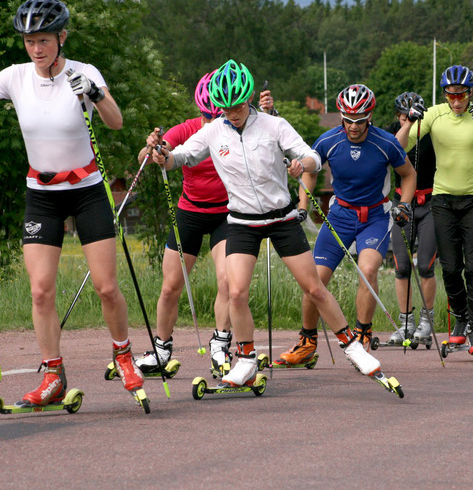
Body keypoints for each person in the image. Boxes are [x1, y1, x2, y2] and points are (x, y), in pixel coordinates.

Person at [0, 0, 144, 405]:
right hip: (42, 195)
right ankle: (53, 375)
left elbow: (116, 121)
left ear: (62, 37)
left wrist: (95, 93)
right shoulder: (14, 76)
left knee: (107, 287)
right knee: (40, 291)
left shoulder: (84, 72)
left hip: (87, 191)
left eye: (44, 40)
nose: (36, 49)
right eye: (29, 41)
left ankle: (123, 355)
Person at [149, 60, 386, 388]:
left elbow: (312, 156)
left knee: (314, 287)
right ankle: (246, 360)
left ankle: (354, 348)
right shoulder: (214, 130)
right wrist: (163, 156)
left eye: (236, 106)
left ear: (248, 99)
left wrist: (302, 164)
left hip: (281, 218)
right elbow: (182, 156)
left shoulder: (274, 126)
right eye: (225, 108)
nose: (231, 113)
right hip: (241, 222)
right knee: (236, 292)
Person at [135, 71, 278, 379]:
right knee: (171, 286)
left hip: (227, 214)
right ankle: (161, 349)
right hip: (189, 211)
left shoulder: (238, 130)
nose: (214, 122)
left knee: (227, 281)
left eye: (220, 115)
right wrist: (153, 149)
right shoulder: (188, 129)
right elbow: (148, 156)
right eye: (207, 116)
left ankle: (220, 342)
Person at [278, 84, 416, 364]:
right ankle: (307, 343)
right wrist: (302, 198)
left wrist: (404, 204)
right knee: (314, 281)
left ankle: (362, 336)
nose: (353, 126)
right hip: (340, 216)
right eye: (348, 119)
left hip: (375, 217)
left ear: (370, 116)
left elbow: (409, 174)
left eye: (360, 120)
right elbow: (312, 167)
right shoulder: (329, 140)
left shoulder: (385, 142)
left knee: (368, 270)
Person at [396, 65, 473, 356]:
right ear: (444, 94)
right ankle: (461, 320)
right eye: (451, 95)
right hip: (442, 200)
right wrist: (410, 122)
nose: (456, 101)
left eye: (461, 95)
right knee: (451, 267)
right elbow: (397, 148)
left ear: (470, 93)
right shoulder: (435, 114)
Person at [387, 92, 439, 346]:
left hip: (429, 203)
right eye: (402, 116)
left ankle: (426, 321)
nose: (406, 118)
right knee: (402, 266)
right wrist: (408, 124)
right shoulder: (395, 130)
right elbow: (395, 151)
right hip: (403, 203)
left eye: (410, 115)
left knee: (426, 266)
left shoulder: (431, 132)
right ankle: (406, 322)